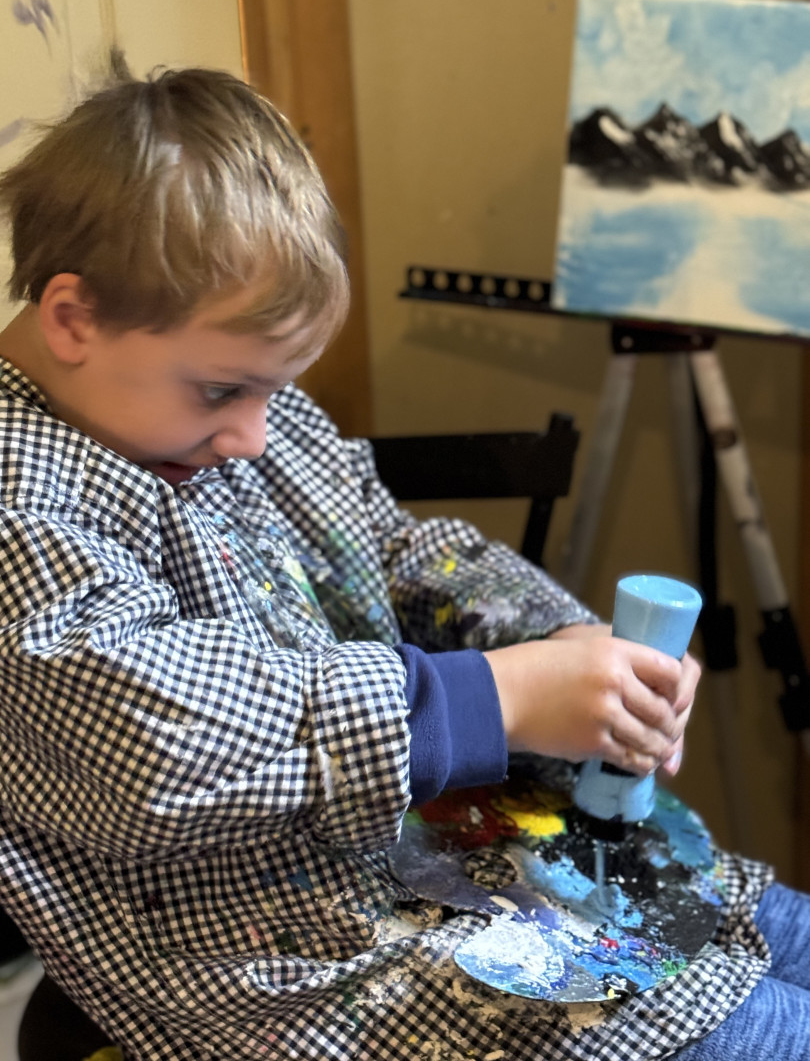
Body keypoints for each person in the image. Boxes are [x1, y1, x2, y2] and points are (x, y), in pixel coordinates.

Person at [0, 56, 804, 1061]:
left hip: (425, 862)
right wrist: (496, 698)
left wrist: (561, 642)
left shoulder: (220, 414)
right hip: (280, 964)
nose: (255, 434)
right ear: (74, 319)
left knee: (775, 929)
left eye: (274, 390)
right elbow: (161, 739)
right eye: (224, 391)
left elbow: (391, 551)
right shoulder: (19, 502)